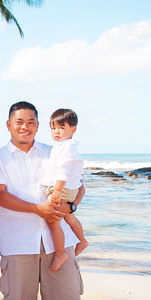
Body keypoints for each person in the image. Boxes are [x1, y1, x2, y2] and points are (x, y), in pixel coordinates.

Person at [0, 101, 93, 300]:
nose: (26, 127)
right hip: (16, 238)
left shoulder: (55, 151)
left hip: (57, 237)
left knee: (70, 298)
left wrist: (71, 208)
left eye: (32, 122)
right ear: (9, 125)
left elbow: (79, 185)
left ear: (38, 125)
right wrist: (37, 209)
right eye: (20, 121)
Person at [41, 108, 88, 272]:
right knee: (68, 216)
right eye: (53, 128)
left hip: (62, 189)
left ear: (73, 129)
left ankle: (60, 253)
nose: (56, 132)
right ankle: (82, 240)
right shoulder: (62, 146)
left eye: (61, 128)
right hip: (64, 189)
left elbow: (63, 172)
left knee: (53, 220)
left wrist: (56, 192)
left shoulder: (67, 148)